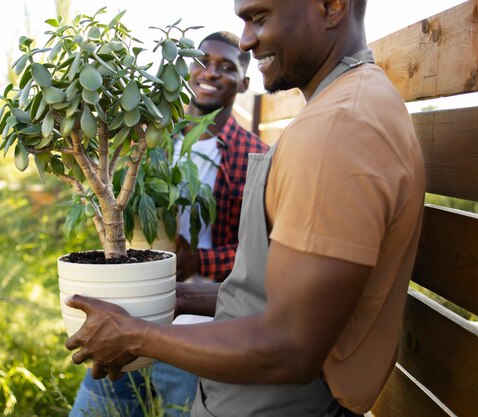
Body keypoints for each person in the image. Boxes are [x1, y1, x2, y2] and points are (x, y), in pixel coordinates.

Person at [66, 0, 426, 416]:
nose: (248, 40)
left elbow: (289, 346)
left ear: (331, 6)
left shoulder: (340, 128)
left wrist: (133, 335)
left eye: (259, 17)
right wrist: (174, 296)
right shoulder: (340, 110)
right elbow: (278, 296)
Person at [69, 31, 268, 417]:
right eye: (202, 61)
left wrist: (201, 263)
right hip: (127, 306)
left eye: (226, 67)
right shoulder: (146, 141)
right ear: (184, 68)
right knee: (96, 409)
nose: (210, 72)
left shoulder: (255, 155)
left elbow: (259, 253)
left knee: (181, 406)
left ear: (244, 82)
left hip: (197, 325)